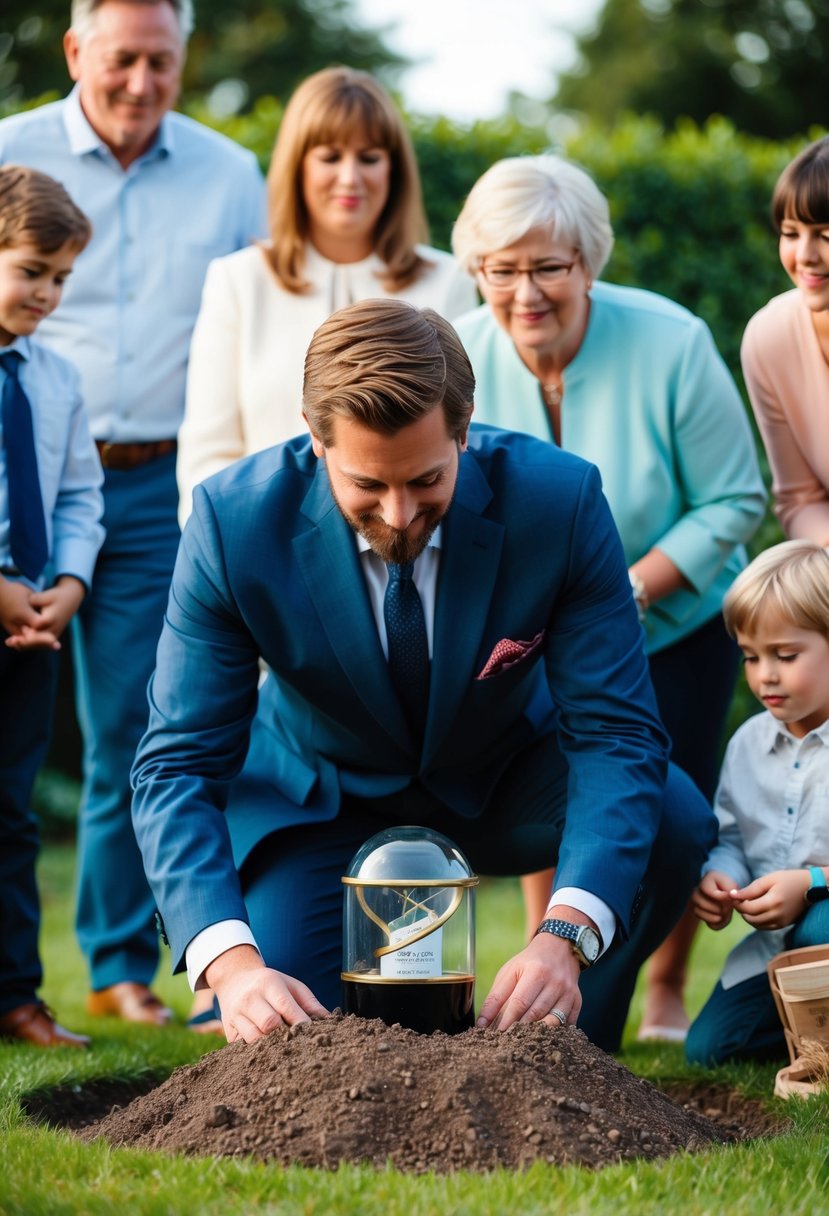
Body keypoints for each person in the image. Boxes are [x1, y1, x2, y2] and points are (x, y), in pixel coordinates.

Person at [131, 298, 716, 1054]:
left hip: (505, 781)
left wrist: (563, 938)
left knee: (672, 816)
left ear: (464, 431)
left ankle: (571, 1045)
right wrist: (233, 966)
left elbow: (614, 732)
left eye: (426, 479)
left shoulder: (559, 501)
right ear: (315, 441)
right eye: (367, 486)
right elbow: (177, 761)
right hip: (321, 800)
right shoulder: (231, 523)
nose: (401, 515)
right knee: (298, 1040)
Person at [450, 154, 766, 1042]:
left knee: (676, 804)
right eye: (500, 270)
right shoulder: (457, 353)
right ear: (475, 269)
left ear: (588, 261)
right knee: (551, 797)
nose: (525, 293)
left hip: (670, 624)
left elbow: (733, 501)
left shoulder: (670, 341)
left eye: (548, 267)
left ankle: (663, 984)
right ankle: (544, 970)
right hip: (526, 637)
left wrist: (628, 587)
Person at [0, 0, 266, 1026]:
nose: (143, 83)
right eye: (123, 60)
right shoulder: (10, 151)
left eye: (163, 62)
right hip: (20, 470)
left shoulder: (228, 170)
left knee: (137, 723)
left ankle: (117, 967)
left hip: (155, 483)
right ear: (76, 52)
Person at [176, 65, 476, 524]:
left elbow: (466, 438)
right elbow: (208, 452)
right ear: (298, 164)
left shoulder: (448, 280)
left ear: (394, 168)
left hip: (407, 535)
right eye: (330, 156)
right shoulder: (238, 280)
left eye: (370, 157)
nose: (350, 177)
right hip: (263, 547)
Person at [0, 165, 103, 1048]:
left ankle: (14, 996)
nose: (48, 292)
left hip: (30, 632)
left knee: (12, 812)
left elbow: (77, 495)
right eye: (33, 269)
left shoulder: (57, 378)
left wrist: (66, 587)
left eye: (62, 277)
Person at [685, 540, 829, 1066]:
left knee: (820, 923)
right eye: (751, 656)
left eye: (786, 656)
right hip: (778, 951)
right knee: (712, 1051)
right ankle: (810, 1034)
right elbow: (730, 836)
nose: (765, 673)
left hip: (820, 926)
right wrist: (718, 875)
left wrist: (811, 884)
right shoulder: (748, 742)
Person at [742, 136, 829, 544]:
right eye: (791, 233)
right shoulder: (769, 337)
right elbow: (800, 500)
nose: (806, 255)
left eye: (826, 234)